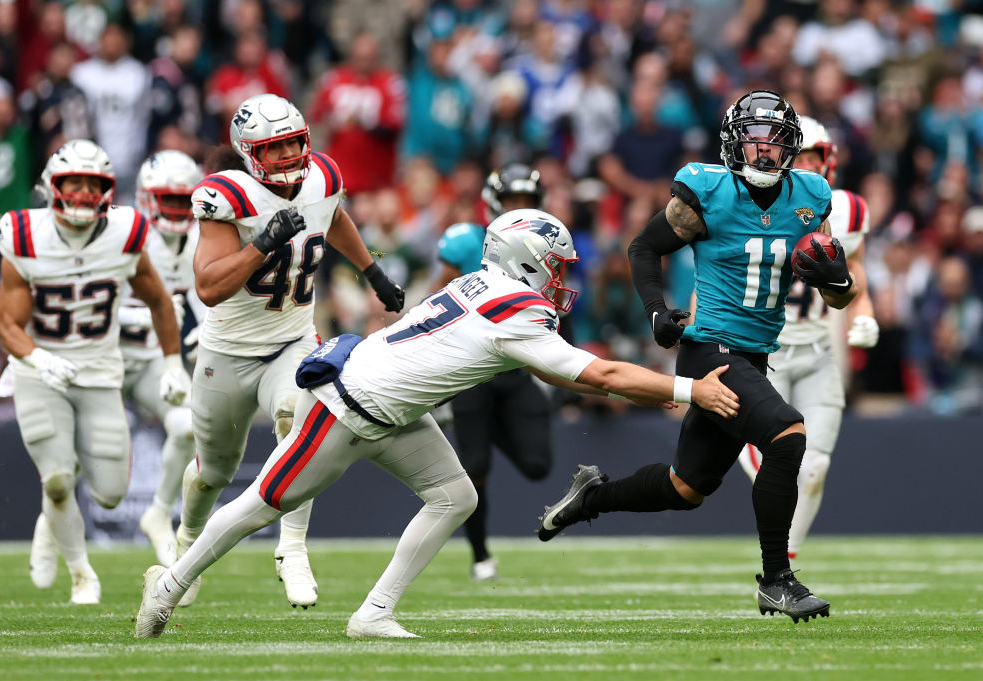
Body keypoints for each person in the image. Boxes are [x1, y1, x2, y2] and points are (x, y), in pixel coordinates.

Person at [135, 207, 740, 639]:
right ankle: (168, 585)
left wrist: (655, 388)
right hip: (346, 405)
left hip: (391, 407)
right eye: (555, 265)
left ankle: (373, 613)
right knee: (261, 505)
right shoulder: (517, 308)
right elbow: (599, 377)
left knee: (454, 496)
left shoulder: (488, 287)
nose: (562, 278)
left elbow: (562, 373)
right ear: (527, 262)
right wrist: (688, 389)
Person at [537, 91, 859, 623]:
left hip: (752, 357)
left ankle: (591, 497)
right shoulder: (707, 191)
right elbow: (643, 246)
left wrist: (839, 280)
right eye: (754, 142)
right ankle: (778, 579)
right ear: (735, 144)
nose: (763, 154)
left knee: (685, 488)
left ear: (791, 150)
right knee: (787, 434)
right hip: (709, 350)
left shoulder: (810, 196)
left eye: (775, 143)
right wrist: (657, 310)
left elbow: (836, 295)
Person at [178, 93, 405, 609]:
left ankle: (292, 546)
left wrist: (372, 271)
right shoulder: (225, 195)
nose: (287, 156)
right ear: (249, 152)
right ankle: (187, 546)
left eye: (293, 144)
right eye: (274, 148)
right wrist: (260, 244)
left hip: (292, 338)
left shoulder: (322, 176)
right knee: (213, 471)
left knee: (297, 419)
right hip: (228, 351)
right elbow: (209, 287)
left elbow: (333, 215)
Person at [0, 139, 188, 604]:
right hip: (40, 370)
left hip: (101, 371)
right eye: (72, 183)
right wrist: (38, 358)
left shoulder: (124, 232)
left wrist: (172, 362)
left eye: (91, 184)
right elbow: (7, 324)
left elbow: (160, 300)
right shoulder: (23, 234)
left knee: (110, 494)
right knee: (58, 479)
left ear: (107, 190)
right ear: (51, 187)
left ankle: (49, 523)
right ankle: (82, 573)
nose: (81, 193)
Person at [737, 116, 878, 560]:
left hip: (818, 351)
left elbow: (858, 275)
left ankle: (788, 561)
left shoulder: (848, 211)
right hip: (766, 352)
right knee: (781, 459)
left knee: (814, 467)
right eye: (800, 157)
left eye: (814, 157)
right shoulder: (753, 205)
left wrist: (865, 312)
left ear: (828, 160)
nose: (808, 166)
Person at [432, 163, 553, 581]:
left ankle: (492, 429)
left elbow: (557, 308)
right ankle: (481, 556)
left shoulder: (544, 247)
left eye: (527, 202)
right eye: (512, 202)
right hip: (472, 372)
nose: (520, 210)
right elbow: (439, 299)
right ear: (493, 204)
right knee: (475, 469)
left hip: (517, 370)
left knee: (538, 464)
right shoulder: (467, 241)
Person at [119, 150, 206, 567]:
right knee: (80, 462)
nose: (174, 210)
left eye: (181, 201)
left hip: (156, 359)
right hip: (105, 354)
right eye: (166, 200)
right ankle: (56, 536)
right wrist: (147, 311)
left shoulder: (199, 240)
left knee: (188, 427)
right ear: (146, 198)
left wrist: (208, 329)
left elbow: (205, 300)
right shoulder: (123, 232)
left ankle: (158, 512)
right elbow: (93, 303)